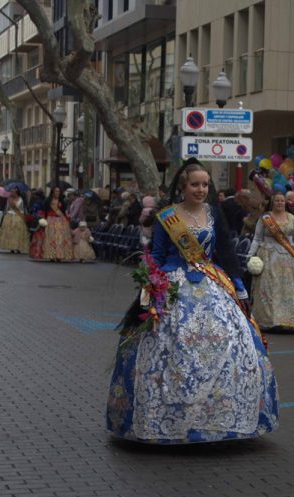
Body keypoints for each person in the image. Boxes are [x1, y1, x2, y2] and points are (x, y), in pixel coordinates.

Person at [107, 159, 279, 444]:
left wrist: (237, 285)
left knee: (236, 344)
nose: (201, 189)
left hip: (213, 287)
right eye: (195, 184)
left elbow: (224, 252)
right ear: (183, 187)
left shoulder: (215, 214)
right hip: (175, 287)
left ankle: (221, 419)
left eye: (205, 185)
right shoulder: (168, 217)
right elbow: (158, 257)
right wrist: (154, 284)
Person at [247, 191, 294, 329]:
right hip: (269, 256)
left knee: (289, 289)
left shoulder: (291, 218)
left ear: (285, 202)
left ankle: (289, 319)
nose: (280, 203)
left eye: (282, 201)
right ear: (272, 202)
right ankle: (271, 319)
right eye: (277, 201)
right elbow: (257, 238)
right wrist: (250, 256)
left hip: (289, 256)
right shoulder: (265, 218)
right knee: (270, 289)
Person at [39, 186, 74, 261]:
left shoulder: (62, 201)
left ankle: (59, 255)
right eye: (56, 191)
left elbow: (64, 212)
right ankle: (51, 255)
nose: (57, 193)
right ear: (52, 192)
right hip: (51, 220)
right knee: (51, 239)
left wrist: (67, 218)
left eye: (58, 191)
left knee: (60, 239)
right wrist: (43, 219)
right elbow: (43, 210)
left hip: (60, 221)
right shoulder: (48, 200)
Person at [0, 188, 30, 253]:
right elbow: (7, 208)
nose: (12, 193)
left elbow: (23, 208)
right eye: (11, 192)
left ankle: (18, 247)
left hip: (19, 216)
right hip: (10, 216)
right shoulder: (9, 199)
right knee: (10, 232)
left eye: (13, 192)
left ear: (17, 192)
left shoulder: (21, 199)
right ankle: (11, 246)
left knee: (18, 232)